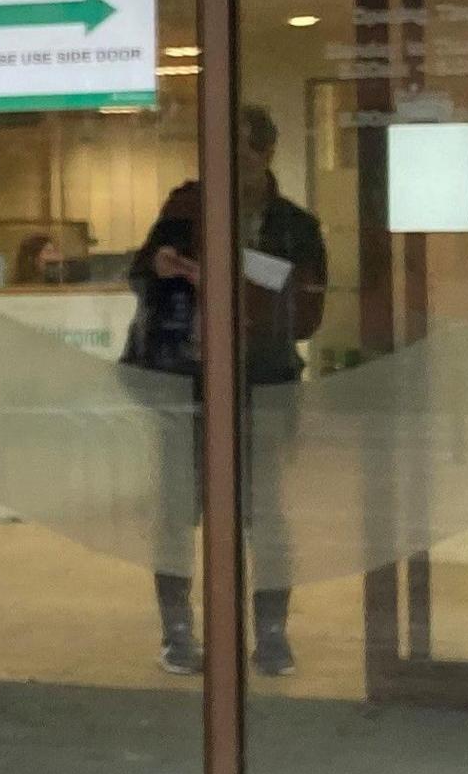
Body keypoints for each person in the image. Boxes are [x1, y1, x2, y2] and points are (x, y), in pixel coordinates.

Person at [121, 105, 329, 678]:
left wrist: (233, 272)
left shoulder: (295, 225)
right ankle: (179, 633)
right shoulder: (186, 204)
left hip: (261, 383)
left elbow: (306, 311)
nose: (229, 167)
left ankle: (270, 634)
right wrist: (159, 266)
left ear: (266, 155)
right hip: (182, 378)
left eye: (241, 154)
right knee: (174, 510)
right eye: (218, 153)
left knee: (264, 513)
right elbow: (140, 273)